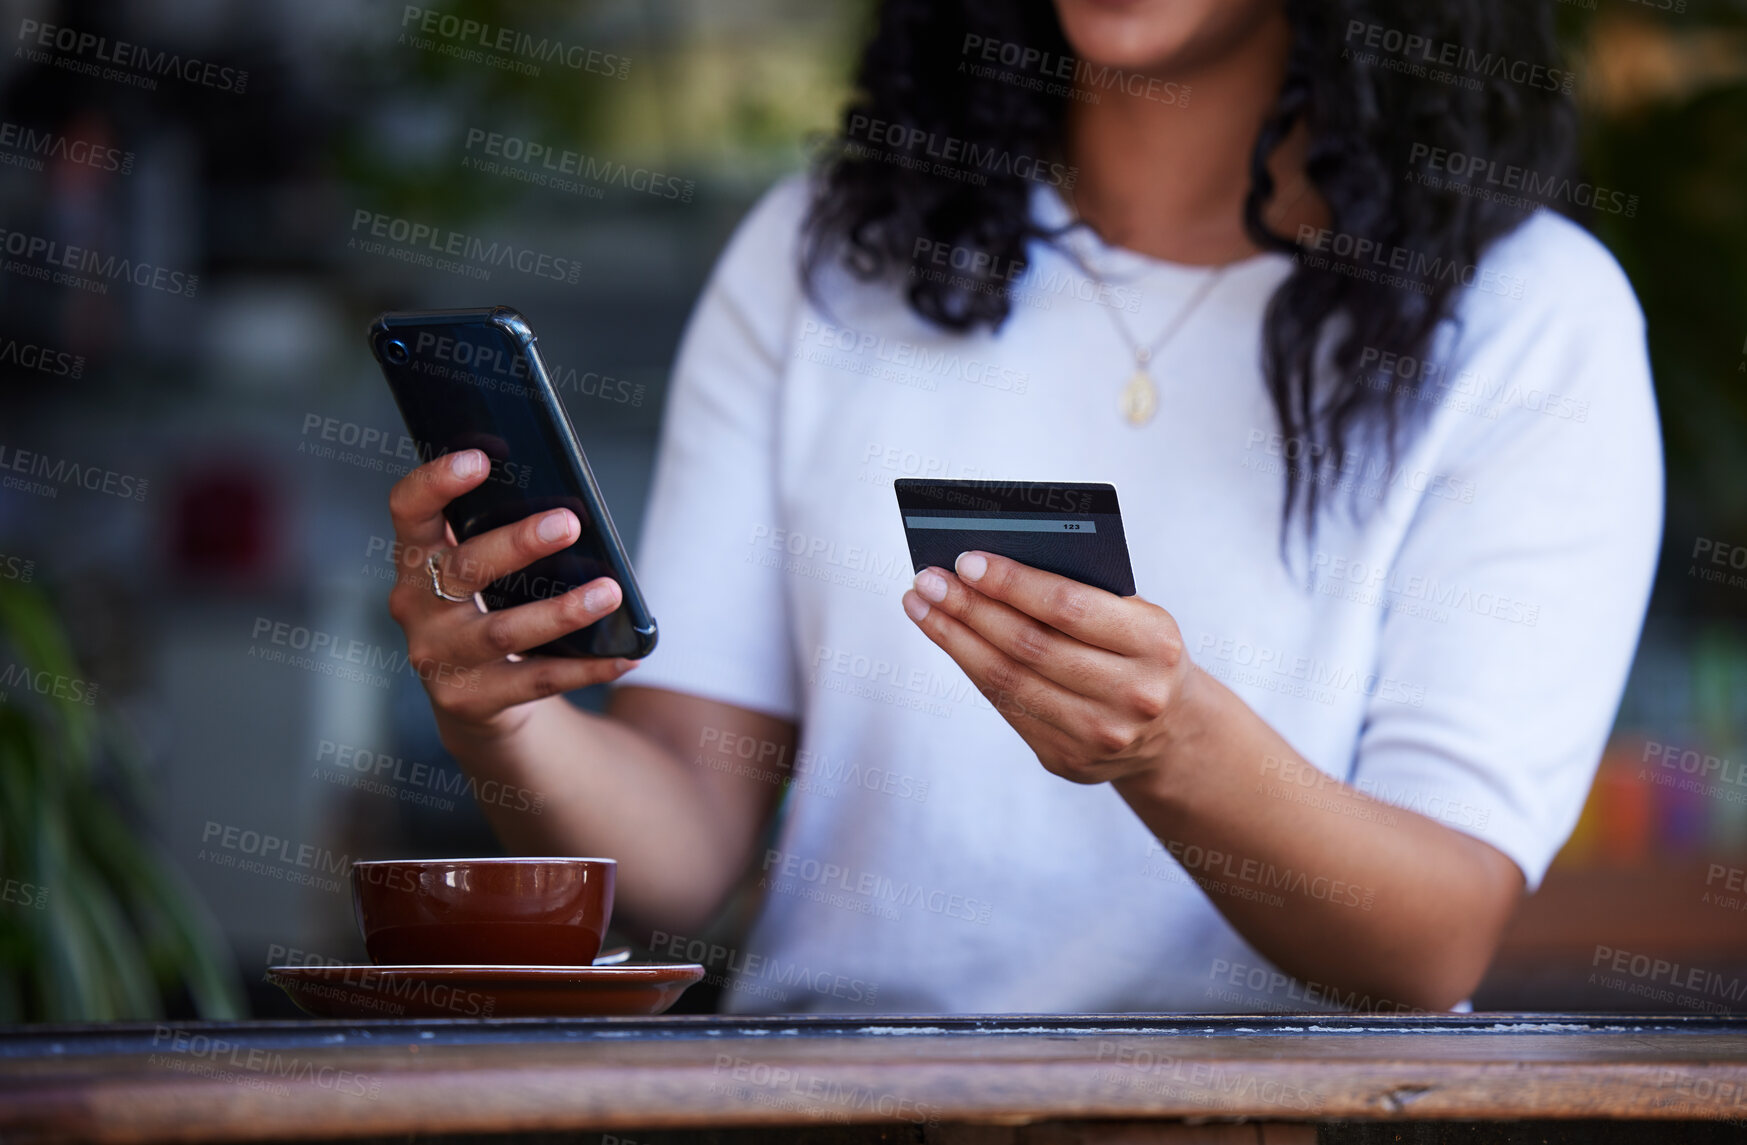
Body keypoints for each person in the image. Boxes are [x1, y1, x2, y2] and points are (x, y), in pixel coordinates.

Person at [384, 0, 1662, 1013]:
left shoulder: (1525, 319)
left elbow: (1433, 935)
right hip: (829, 1105)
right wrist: (510, 720)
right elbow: (675, 856)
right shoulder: (826, 253)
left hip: (1268, 1122)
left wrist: (1172, 747)